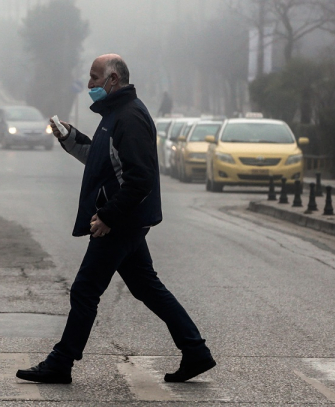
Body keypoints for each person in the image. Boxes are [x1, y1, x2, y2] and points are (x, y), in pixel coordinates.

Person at [16, 54, 215, 385]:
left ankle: (61, 362)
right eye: (90, 77)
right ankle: (196, 351)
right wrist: (69, 137)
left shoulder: (129, 117)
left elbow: (140, 178)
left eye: (95, 78)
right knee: (147, 288)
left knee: (84, 290)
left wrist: (108, 216)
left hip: (121, 220)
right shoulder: (115, 115)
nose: (90, 84)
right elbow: (102, 160)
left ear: (113, 80)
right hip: (127, 218)